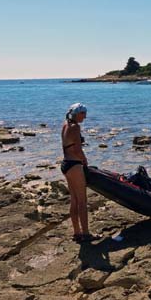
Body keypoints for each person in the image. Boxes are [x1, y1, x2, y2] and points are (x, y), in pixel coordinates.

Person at [61, 103, 98, 243]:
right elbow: (77, 149)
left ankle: (77, 233)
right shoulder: (76, 127)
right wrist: (84, 161)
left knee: (74, 201)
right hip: (75, 165)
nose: (86, 116)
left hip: (66, 164)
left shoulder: (65, 124)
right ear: (77, 113)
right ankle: (86, 234)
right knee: (82, 202)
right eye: (84, 113)